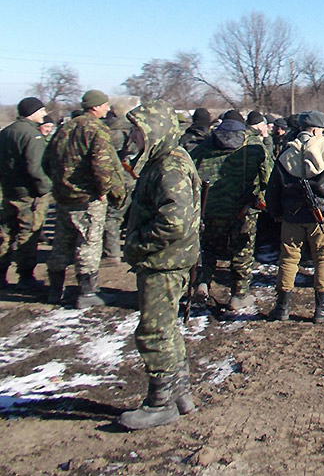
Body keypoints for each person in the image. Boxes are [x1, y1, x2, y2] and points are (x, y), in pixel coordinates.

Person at [117, 100, 200, 430]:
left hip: (163, 262)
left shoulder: (169, 166)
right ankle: (180, 393)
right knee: (166, 329)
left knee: (153, 332)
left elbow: (174, 222)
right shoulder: (164, 160)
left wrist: (138, 243)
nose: (133, 136)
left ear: (155, 129)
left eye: (138, 129)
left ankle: (159, 403)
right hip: (167, 260)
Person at [265, 111, 324, 323]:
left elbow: (273, 189)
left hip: (291, 217)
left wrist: (277, 213)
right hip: (322, 216)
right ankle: (322, 307)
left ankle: (281, 307)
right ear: (317, 130)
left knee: (288, 259)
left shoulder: (286, 152)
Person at [43, 90, 127, 308]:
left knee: (61, 243)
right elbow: (102, 165)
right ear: (96, 106)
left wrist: (60, 183)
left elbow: (46, 160)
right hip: (87, 198)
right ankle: (87, 292)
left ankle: (55, 290)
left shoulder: (65, 128)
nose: (107, 108)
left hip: (63, 198)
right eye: (105, 104)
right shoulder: (97, 129)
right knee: (88, 243)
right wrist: (104, 190)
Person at [189, 113, 271, 311]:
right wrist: (261, 199)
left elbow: (189, 174)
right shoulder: (254, 146)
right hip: (243, 209)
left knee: (207, 248)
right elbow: (268, 176)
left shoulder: (204, 146)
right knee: (242, 251)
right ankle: (239, 295)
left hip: (209, 208)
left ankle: (202, 283)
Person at [0, 97, 53, 289]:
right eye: (42, 110)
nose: (44, 114)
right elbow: (35, 168)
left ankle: (1, 275)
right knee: (28, 234)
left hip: (8, 191)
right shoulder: (32, 135)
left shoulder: (6, 132)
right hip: (28, 194)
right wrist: (46, 189)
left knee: (5, 233)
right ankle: (26, 276)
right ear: (32, 112)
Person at [103, 105, 135, 262]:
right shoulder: (133, 130)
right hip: (133, 176)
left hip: (114, 177)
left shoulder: (106, 131)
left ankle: (111, 253)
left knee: (112, 217)